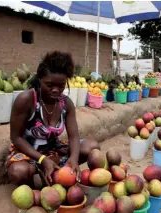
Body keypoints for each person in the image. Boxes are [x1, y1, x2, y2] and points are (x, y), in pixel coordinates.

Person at [6, 51, 100, 187]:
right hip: (27, 151)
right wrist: (42, 159)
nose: (56, 90)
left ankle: (58, 172)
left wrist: (73, 159)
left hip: (52, 148)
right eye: (49, 85)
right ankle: (32, 187)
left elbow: (74, 136)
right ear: (40, 80)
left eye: (61, 85)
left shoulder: (66, 103)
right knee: (19, 172)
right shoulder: (26, 100)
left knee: (91, 147)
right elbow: (16, 138)